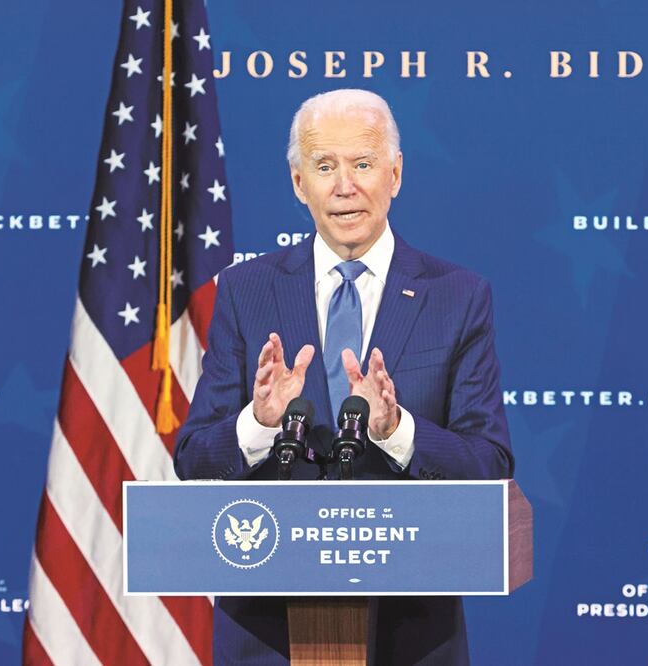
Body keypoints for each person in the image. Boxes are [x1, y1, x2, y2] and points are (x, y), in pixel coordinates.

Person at [174, 88, 514, 665]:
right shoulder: (246, 291)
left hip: (412, 634)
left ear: (395, 174)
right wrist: (258, 423)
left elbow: (491, 465)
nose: (344, 186)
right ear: (298, 182)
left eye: (362, 164)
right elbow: (193, 459)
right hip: (267, 635)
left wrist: (397, 430)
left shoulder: (456, 297)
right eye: (324, 166)